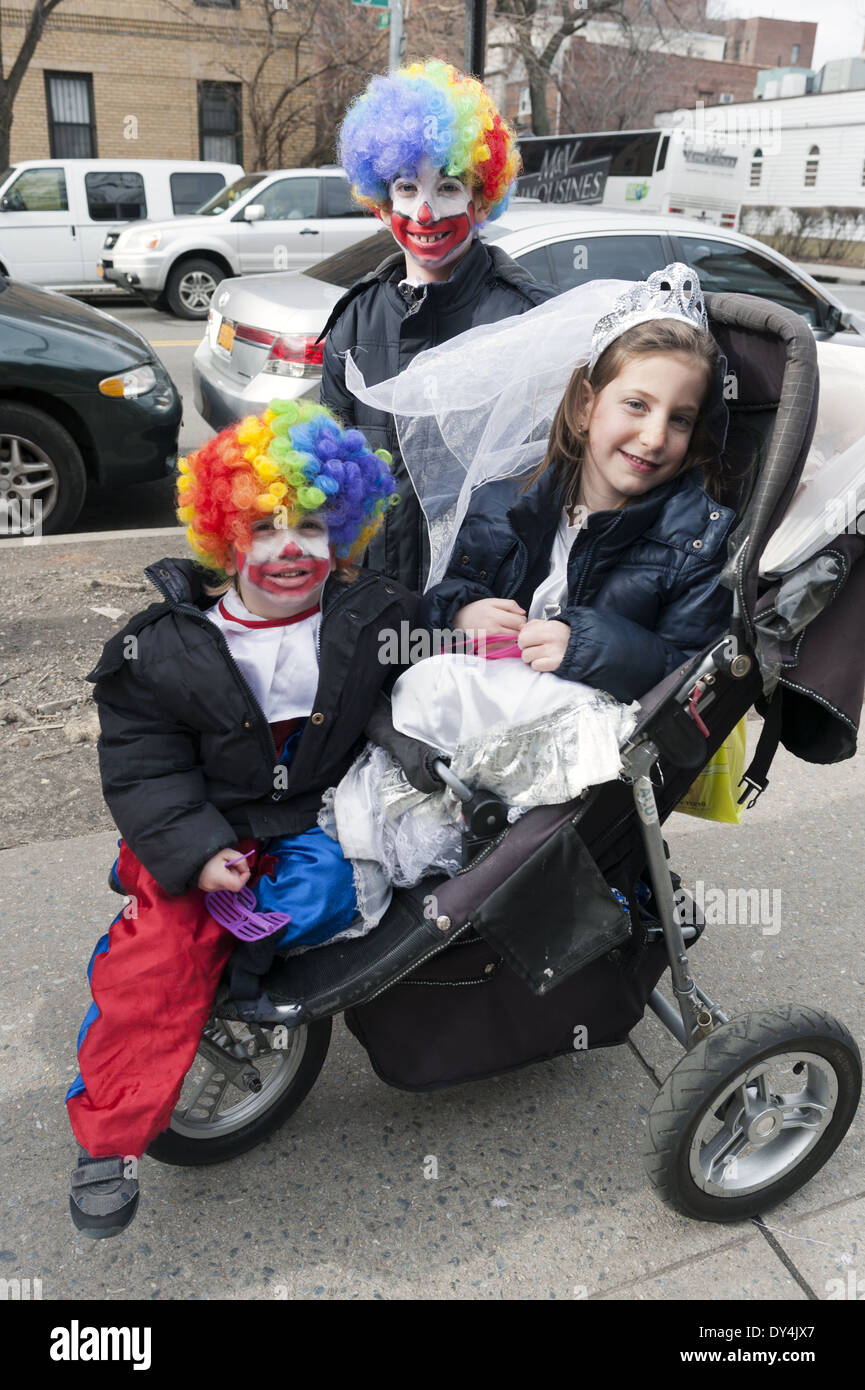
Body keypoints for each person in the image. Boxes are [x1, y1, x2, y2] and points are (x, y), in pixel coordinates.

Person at [66, 400, 439, 1240]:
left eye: (311, 526)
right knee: (153, 966)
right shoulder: (164, 648)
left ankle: (231, 970)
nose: (289, 549)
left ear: (343, 534)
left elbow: (420, 668)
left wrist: (480, 641)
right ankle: (111, 1137)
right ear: (224, 535)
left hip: (316, 817)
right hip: (207, 821)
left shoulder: (373, 614)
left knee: (333, 898)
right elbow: (144, 765)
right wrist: (195, 852)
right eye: (263, 526)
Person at [326, 264, 739, 886]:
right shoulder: (504, 501)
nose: (654, 436)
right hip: (482, 709)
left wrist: (590, 645)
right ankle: (391, 847)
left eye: (679, 419)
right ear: (583, 405)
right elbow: (443, 600)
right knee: (420, 688)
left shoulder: (696, 538)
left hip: (588, 734)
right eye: (636, 404)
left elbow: (689, 673)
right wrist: (461, 613)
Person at [318, 58, 556, 592]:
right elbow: (330, 477)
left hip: (486, 608)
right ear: (381, 205)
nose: (424, 214)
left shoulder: (527, 318)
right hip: (375, 602)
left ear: (480, 199)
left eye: (447, 187)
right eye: (407, 188)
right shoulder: (355, 320)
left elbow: (545, 484)